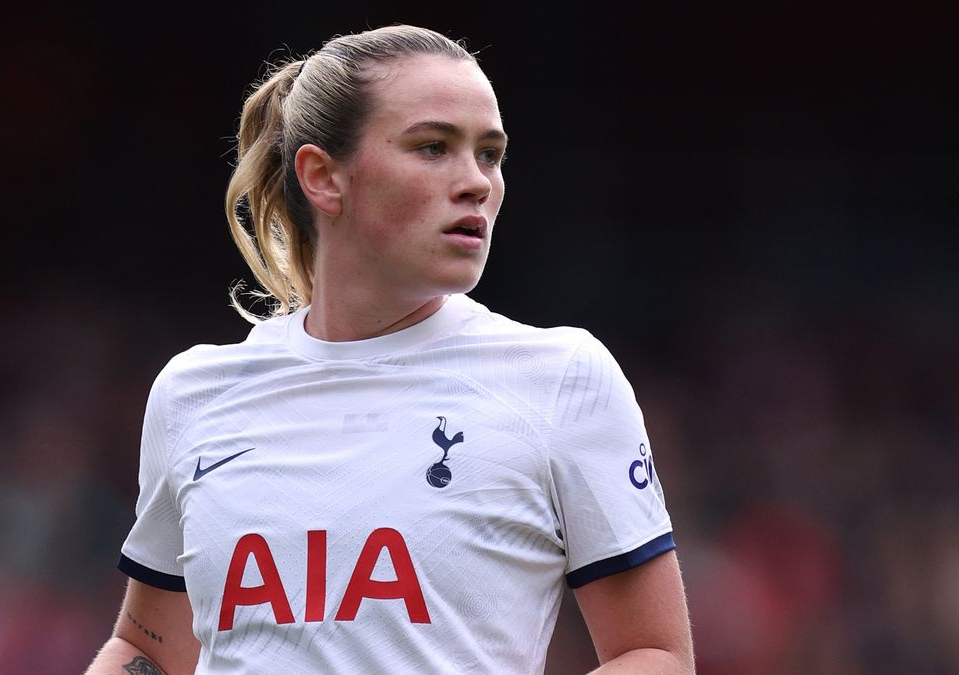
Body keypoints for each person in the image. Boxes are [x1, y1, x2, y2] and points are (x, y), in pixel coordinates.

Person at [86, 24, 693, 674]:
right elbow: (148, 648)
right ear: (323, 177)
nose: (477, 183)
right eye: (433, 147)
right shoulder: (193, 392)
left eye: (490, 154)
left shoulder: (563, 380)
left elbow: (652, 653)